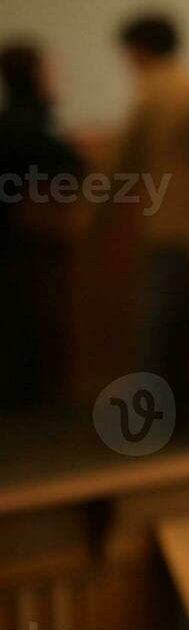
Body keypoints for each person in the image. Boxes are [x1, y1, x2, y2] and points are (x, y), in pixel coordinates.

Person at [114, 13, 189, 391]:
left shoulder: (152, 92)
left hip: (174, 224)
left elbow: (122, 161)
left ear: (140, 50)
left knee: (161, 321)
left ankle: (151, 406)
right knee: (181, 320)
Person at [0, 40, 84, 408]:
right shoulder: (28, 120)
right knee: (23, 316)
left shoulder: (18, 119)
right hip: (19, 234)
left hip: (16, 233)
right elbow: (70, 164)